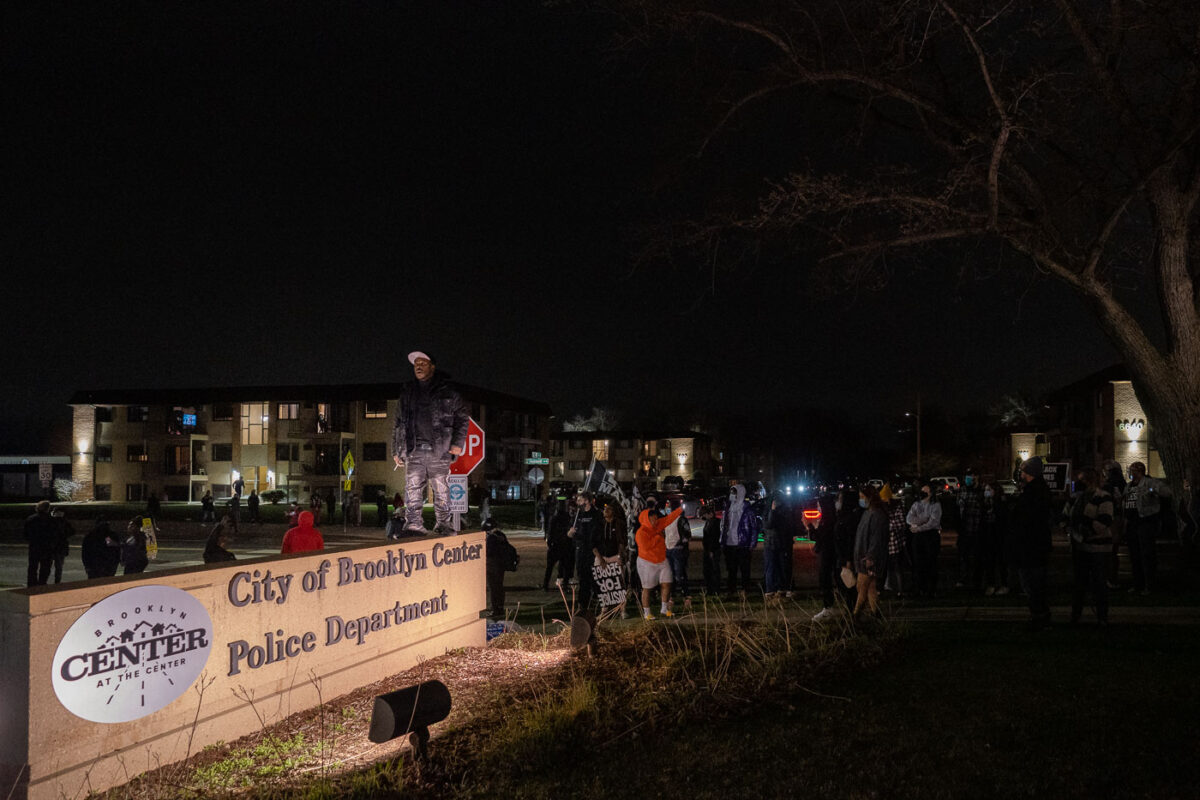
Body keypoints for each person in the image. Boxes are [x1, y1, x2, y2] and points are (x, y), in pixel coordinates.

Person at [392, 350, 469, 536]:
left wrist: (457, 443)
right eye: (416, 363)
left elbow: (462, 418)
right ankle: (413, 524)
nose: (418, 366)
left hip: (439, 449)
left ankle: (443, 523)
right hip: (413, 449)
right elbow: (398, 422)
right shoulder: (407, 392)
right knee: (412, 488)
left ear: (432, 367)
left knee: (441, 488)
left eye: (423, 363)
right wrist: (396, 450)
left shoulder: (448, 391)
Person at [1062, 468, 1113, 625]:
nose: (1080, 484)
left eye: (1083, 480)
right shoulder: (1076, 498)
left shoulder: (1103, 497)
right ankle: (1075, 615)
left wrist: (1084, 525)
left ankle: (1102, 616)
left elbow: (1104, 522)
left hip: (1098, 547)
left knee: (1099, 583)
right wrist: (1070, 527)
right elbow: (1064, 516)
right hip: (1081, 546)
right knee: (1079, 583)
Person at [1010, 456, 1054, 630]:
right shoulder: (1038, 490)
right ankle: (1039, 615)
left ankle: (1040, 616)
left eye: (1022, 471)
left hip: (1031, 545)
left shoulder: (1034, 493)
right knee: (1034, 583)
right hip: (1035, 544)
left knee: (1033, 583)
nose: (1020, 473)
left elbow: (1025, 519)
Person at [1123, 460, 1171, 595]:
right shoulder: (1128, 486)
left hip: (1145, 521)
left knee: (1147, 554)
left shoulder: (1149, 483)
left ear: (1139, 471)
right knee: (1134, 555)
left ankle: (1149, 585)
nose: (1131, 473)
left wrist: (1151, 490)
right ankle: (1138, 583)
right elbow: (1126, 504)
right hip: (1132, 523)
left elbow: (1166, 492)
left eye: (1133, 470)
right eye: (1131, 470)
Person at [634, 495, 684, 618]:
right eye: (652, 519)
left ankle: (664, 608)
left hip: (661, 560)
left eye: (656, 518)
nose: (655, 521)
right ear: (646, 519)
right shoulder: (641, 533)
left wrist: (679, 510)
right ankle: (647, 613)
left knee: (667, 583)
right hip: (647, 562)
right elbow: (646, 547)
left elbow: (668, 519)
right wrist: (658, 537)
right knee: (647, 588)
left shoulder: (658, 525)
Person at [852, 485, 889, 619]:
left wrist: (870, 557)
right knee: (870, 587)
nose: (861, 500)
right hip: (864, 556)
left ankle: (856, 615)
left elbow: (877, 538)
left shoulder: (877, 515)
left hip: (869, 558)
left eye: (863, 497)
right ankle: (876, 614)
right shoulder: (868, 512)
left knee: (861, 586)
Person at [720, 483, 758, 597]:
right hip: (730, 544)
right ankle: (731, 591)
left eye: (734, 493)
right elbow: (723, 525)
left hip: (743, 544)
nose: (732, 495)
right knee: (731, 570)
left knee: (744, 569)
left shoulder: (747, 509)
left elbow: (754, 527)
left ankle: (745, 591)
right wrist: (722, 540)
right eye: (731, 492)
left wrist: (752, 544)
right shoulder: (728, 508)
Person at [906, 483, 943, 597]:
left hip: (930, 536)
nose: (921, 493)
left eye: (925, 491)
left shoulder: (935, 505)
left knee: (931, 562)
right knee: (918, 562)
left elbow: (933, 522)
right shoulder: (916, 504)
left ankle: (931, 589)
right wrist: (924, 519)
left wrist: (919, 527)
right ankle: (919, 587)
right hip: (918, 537)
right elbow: (909, 518)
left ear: (930, 493)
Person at [568, 491, 603, 611]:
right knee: (582, 578)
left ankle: (600, 602)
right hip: (580, 550)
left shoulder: (597, 514)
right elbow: (569, 533)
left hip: (593, 550)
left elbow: (598, 533)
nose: (578, 502)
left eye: (580, 500)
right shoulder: (578, 515)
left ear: (587, 501)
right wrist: (570, 533)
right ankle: (582, 604)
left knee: (595, 577)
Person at [810, 492, 840, 620]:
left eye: (819, 506)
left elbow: (820, 538)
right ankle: (830, 607)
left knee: (827, 580)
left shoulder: (828, 522)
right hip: (828, 555)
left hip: (828, 556)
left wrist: (810, 526)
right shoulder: (828, 520)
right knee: (830, 580)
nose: (818, 509)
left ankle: (828, 608)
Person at [956, 471, 984, 590]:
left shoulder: (981, 490)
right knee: (963, 556)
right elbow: (958, 506)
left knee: (977, 557)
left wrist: (977, 488)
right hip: (964, 529)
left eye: (972, 478)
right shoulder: (962, 490)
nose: (969, 480)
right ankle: (963, 578)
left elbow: (983, 505)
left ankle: (976, 581)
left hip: (977, 528)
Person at [762, 494, 793, 598]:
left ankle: (781, 589)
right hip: (770, 543)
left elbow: (787, 527)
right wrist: (773, 511)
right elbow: (769, 524)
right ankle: (770, 590)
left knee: (782, 567)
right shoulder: (768, 512)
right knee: (771, 567)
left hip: (781, 543)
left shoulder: (785, 512)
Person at [663, 497, 692, 605]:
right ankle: (672, 596)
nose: (667, 508)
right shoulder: (667, 519)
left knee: (680, 574)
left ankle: (686, 595)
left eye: (669, 506)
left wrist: (680, 544)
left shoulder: (681, 519)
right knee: (670, 574)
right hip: (668, 550)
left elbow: (688, 535)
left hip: (678, 550)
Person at [881, 485, 907, 597]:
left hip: (895, 543)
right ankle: (884, 587)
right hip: (884, 544)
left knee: (897, 568)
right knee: (883, 568)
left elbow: (901, 524)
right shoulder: (881, 509)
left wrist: (887, 525)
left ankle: (900, 590)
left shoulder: (897, 507)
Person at [542, 499, 572, 591]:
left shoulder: (554, 518)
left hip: (555, 545)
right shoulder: (567, 517)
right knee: (565, 567)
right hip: (564, 545)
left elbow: (550, 532)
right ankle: (565, 585)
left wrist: (549, 544)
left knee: (550, 567)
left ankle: (545, 585)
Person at [25, 500, 56, 587]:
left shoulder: (31, 519)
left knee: (33, 566)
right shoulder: (51, 520)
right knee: (45, 567)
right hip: (47, 547)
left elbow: (26, 534)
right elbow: (54, 533)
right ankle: (42, 583)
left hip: (34, 546)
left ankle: (31, 584)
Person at [484, 518, 510, 619]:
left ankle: (495, 609)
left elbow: (488, 552)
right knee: (499, 586)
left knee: (493, 588)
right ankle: (500, 607)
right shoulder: (501, 535)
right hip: (501, 565)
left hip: (492, 565)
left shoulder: (491, 538)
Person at [700, 504, 723, 595]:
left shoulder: (715, 523)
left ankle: (715, 589)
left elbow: (714, 538)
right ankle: (710, 589)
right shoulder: (709, 522)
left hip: (713, 550)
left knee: (714, 570)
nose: (703, 517)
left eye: (704, 515)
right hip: (708, 549)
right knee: (707, 570)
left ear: (709, 513)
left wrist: (711, 550)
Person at [51, 509, 74, 584]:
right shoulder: (65, 522)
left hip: (51, 546)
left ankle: (43, 581)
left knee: (46, 564)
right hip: (61, 546)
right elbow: (72, 531)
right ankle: (57, 581)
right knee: (59, 566)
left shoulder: (50, 521)